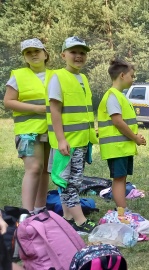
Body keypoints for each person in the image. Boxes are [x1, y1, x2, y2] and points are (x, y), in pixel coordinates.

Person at [46, 36, 98, 234]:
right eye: (74, 52)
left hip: (81, 140)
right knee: (70, 182)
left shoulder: (82, 78)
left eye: (82, 52)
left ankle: (68, 217)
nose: (78, 56)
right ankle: (80, 220)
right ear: (63, 55)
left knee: (72, 180)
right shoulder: (58, 77)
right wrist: (61, 139)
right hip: (67, 142)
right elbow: (55, 110)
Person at [3, 38, 53, 215]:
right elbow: (8, 102)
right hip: (28, 131)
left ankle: (40, 209)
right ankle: (26, 213)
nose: (33, 55)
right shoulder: (18, 75)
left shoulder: (56, 76)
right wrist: (37, 109)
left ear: (45, 54)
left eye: (37, 51)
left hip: (50, 130)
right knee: (33, 169)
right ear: (25, 57)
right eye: (28, 52)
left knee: (46, 170)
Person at [97, 59, 146, 219]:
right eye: (132, 76)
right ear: (122, 75)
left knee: (122, 179)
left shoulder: (119, 96)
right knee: (118, 180)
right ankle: (121, 212)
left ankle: (122, 210)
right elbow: (117, 121)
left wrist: (136, 137)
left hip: (122, 147)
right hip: (116, 148)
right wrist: (135, 138)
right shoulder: (112, 96)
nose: (133, 79)